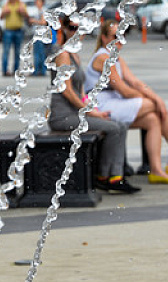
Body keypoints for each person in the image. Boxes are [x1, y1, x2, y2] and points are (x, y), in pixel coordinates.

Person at [84, 19, 168, 185]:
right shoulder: (103, 58)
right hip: (100, 106)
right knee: (153, 106)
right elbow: (124, 90)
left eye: (122, 35)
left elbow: (135, 82)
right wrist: (153, 101)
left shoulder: (117, 58)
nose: (120, 40)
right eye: (115, 36)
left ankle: (156, 170)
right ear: (104, 38)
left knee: (153, 120)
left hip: (114, 102)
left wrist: (156, 97)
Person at [48, 16, 139, 193]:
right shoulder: (63, 55)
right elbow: (66, 91)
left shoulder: (75, 54)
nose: (77, 33)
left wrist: (93, 111)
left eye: (80, 29)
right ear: (64, 29)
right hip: (63, 117)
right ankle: (109, 177)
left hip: (76, 114)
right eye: (72, 28)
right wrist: (87, 111)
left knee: (120, 125)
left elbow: (81, 92)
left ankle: (111, 175)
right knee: (113, 128)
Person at [0, 0, 29, 76]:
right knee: (6, 51)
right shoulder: (6, 5)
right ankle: (5, 70)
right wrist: (4, 12)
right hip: (8, 31)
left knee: (17, 52)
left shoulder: (21, 5)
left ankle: (15, 70)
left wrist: (22, 12)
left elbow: (27, 17)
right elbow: (0, 17)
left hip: (18, 30)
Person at [31, 0, 50, 76]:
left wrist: (34, 21)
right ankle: (39, 70)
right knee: (38, 53)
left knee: (39, 53)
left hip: (41, 35)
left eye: (38, 1)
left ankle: (40, 70)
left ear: (42, 2)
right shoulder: (37, 10)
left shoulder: (43, 11)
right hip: (37, 34)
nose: (36, 3)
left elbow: (43, 22)